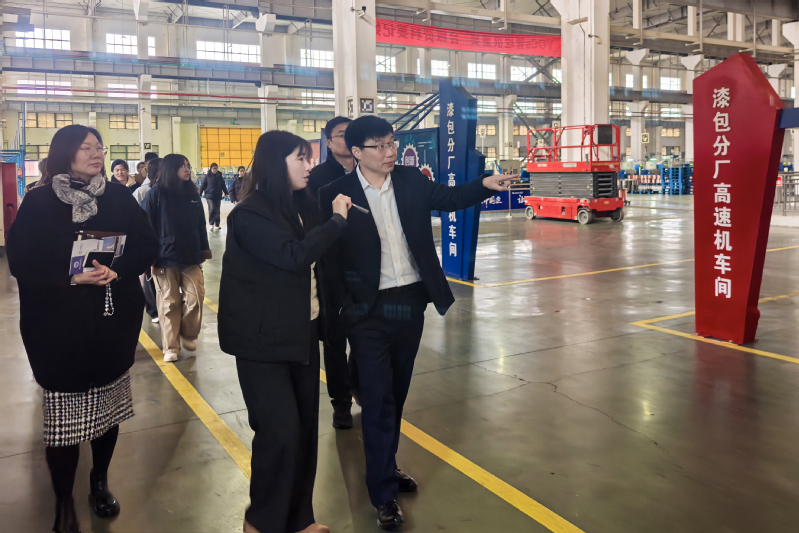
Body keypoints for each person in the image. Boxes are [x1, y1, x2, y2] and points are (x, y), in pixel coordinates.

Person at [318, 116, 516, 530]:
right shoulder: (335, 194)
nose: (390, 152)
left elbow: (450, 197)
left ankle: (386, 467)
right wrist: (342, 311)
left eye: (392, 143)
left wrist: (485, 184)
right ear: (357, 153)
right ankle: (382, 495)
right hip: (367, 311)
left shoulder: (410, 180)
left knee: (395, 393)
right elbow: (329, 259)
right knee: (378, 399)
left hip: (409, 303)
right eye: (380, 146)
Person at [6, 124, 157, 533]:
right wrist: (70, 277)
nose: (96, 153)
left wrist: (117, 269)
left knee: (108, 410)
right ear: (65, 153)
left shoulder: (118, 197)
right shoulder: (39, 201)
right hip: (57, 330)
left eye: (99, 147)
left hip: (113, 323)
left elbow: (147, 243)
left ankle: (99, 482)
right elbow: (21, 262)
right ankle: (63, 502)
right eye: (86, 147)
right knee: (64, 419)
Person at [217, 130, 353, 533]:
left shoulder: (301, 206)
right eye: (301, 158)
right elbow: (293, 256)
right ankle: (260, 522)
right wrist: (337, 222)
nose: (310, 166)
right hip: (261, 341)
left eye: (310, 158)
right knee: (280, 434)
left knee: (305, 431)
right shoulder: (249, 214)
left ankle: (298, 519)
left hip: (301, 332)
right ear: (277, 164)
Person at [308, 116, 358, 429]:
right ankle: (341, 404)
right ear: (328, 142)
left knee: (367, 336)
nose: (347, 139)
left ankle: (361, 387)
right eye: (341, 135)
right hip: (332, 269)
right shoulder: (317, 179)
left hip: (366, 268)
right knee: (335, 340)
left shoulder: (370, 170)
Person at [142, 155, 211, 362]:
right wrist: (148, 257)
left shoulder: (193, 194)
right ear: (171, 169)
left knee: (196, 296)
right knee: (168, 302)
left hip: (191, 256)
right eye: (182, 166)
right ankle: (171, 346)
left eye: (188, 166)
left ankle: (188, 333)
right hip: (163, 257)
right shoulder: (155, 195)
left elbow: (201, 225)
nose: (187, 169)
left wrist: (203, 250)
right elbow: (145, 228)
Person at [135, 158, 162, 323]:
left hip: (162, 239)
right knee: (149, 275)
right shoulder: (143, 191)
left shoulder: (169, 190)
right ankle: (153, 310)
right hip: (147, 238)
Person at [199, 162, 229, 231]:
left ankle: (217, 224)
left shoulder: (219, 176)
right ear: (211, 169)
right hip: (209, 196)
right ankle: (211, 224)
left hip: (217, 195)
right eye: (214, 168)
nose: (215, 170)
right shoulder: (207, 176)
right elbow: (202, 186)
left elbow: (223, 185)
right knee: (212, 208)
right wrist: (200, 194)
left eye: (216, 168)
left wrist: (226, 193)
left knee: (217, 210)